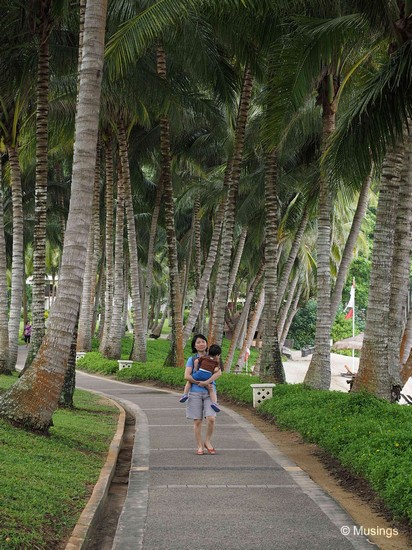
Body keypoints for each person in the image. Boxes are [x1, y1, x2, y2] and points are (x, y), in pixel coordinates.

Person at [184, 334, 222, 455]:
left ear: (206, 343)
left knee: (211, 418)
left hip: (210, 391)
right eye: (198, 342)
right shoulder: (192, 359)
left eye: (203, 342)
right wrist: (198, 382)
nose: (201, 344)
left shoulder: (213, 356)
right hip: (195, 392)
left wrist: (206, 383)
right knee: (197, 421)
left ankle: (208, 441)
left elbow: (218, 373)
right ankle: (200, 446)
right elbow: (187, 376)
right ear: (194, 346)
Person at [179, 344, 221, 412]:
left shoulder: (204, 357)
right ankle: (214, 403)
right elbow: (216, 370)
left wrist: (196, 369)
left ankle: (185, 395)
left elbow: (196, 361)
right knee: (211, 390)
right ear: (217, 355)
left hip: (199, 373)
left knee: (189, 381)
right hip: (208, 376)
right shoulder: (216, 361)